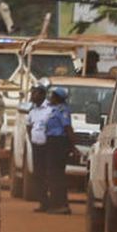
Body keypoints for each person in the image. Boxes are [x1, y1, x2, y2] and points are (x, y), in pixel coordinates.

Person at [39, 86, 74, 214]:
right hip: (52, 143)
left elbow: (68, 128)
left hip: (59, 143)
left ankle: (61, 205)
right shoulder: (54, 110)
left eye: (53, 96)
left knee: (57, 175)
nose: (51, 98)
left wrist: (72, 146)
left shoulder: (63, 111)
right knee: (53, 175)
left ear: (58, 98)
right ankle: (55, 204)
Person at [24, 85, 50, 203]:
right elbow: (28, 126)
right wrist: (32, 138)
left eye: (35, 93)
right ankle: (41, 199)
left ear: (42, 95)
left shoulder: (49, 109)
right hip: (35, 145)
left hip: (47, 146)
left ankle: (48, 200)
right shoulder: (32, 111)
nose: (32, 96)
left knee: (46, 173)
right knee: (37, 173)